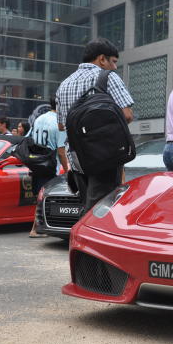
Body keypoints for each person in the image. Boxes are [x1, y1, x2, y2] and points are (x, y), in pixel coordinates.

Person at [56, 38, 134, 214]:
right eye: (113, 62)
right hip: (103, 155)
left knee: (88, 204)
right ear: (101, 59)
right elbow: (127, 115)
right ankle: (84, 239)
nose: (114, 67)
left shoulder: (64, 84)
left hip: (76, 158)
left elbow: (61, 126)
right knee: (101, 211)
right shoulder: (107, 77)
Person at [28, 98, 69, 238]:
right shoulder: (59, 123)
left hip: (35, 161)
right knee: (45, 196)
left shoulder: (39, 119)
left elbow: (28, 138)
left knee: (38, 195)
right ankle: (35, 229)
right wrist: (68, 170)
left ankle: (36, 228)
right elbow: (61, 151)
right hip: (49, 163)